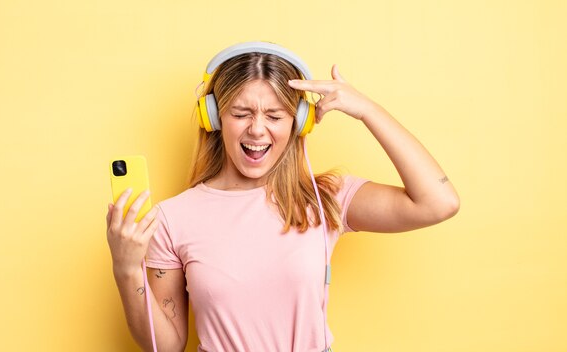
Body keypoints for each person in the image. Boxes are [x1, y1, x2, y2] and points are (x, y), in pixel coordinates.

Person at [105, 42, 459, 352]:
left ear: (299, 122)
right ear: (213, 117)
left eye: (275, 115)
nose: (257, 129)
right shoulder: (173, 218)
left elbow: (439, 202)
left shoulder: (325, 199)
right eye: (240, 113)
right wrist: (127, 269)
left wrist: (367, 110)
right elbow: (165, 346)